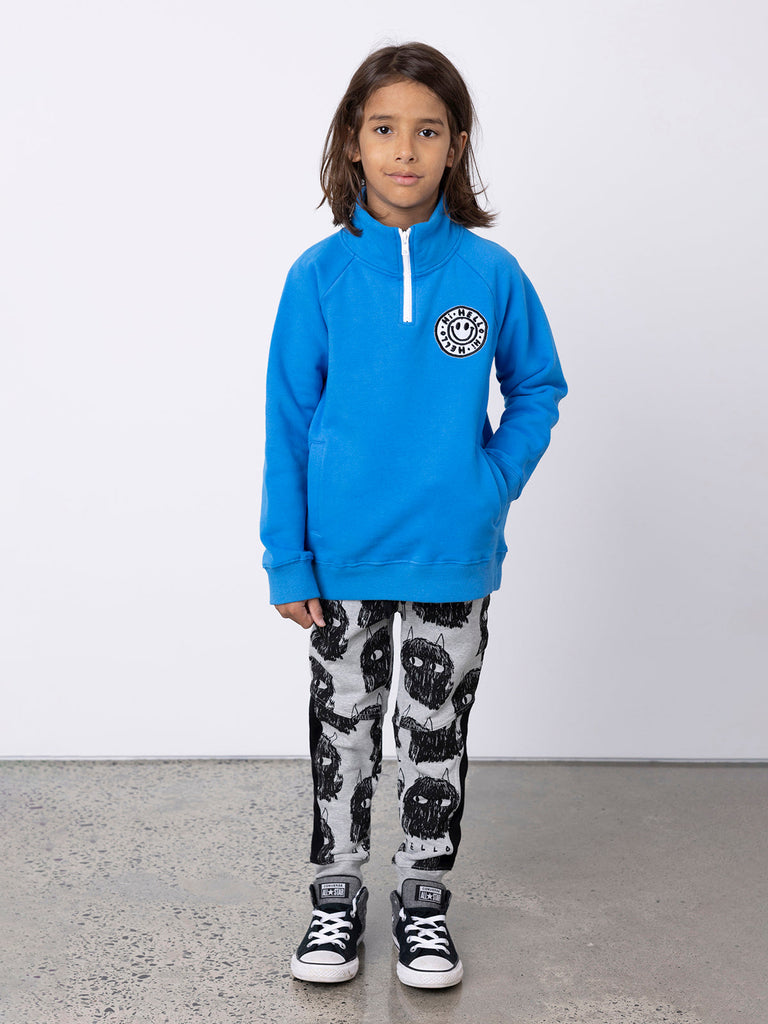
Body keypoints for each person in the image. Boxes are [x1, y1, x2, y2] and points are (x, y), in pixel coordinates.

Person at [260, 41, 567, 989]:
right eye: (385, 129)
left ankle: (423, 905)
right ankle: (336, 901)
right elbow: (287, 420)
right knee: (344, 732)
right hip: (341, 559)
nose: (405, 150)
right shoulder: (318, 276)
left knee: (435, 736)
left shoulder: (489, 273)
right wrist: (286, 559)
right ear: (353, 142)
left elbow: (538, 387)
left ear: (455, 145)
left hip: (450, 553)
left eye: (427, 131)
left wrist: (491, 481)